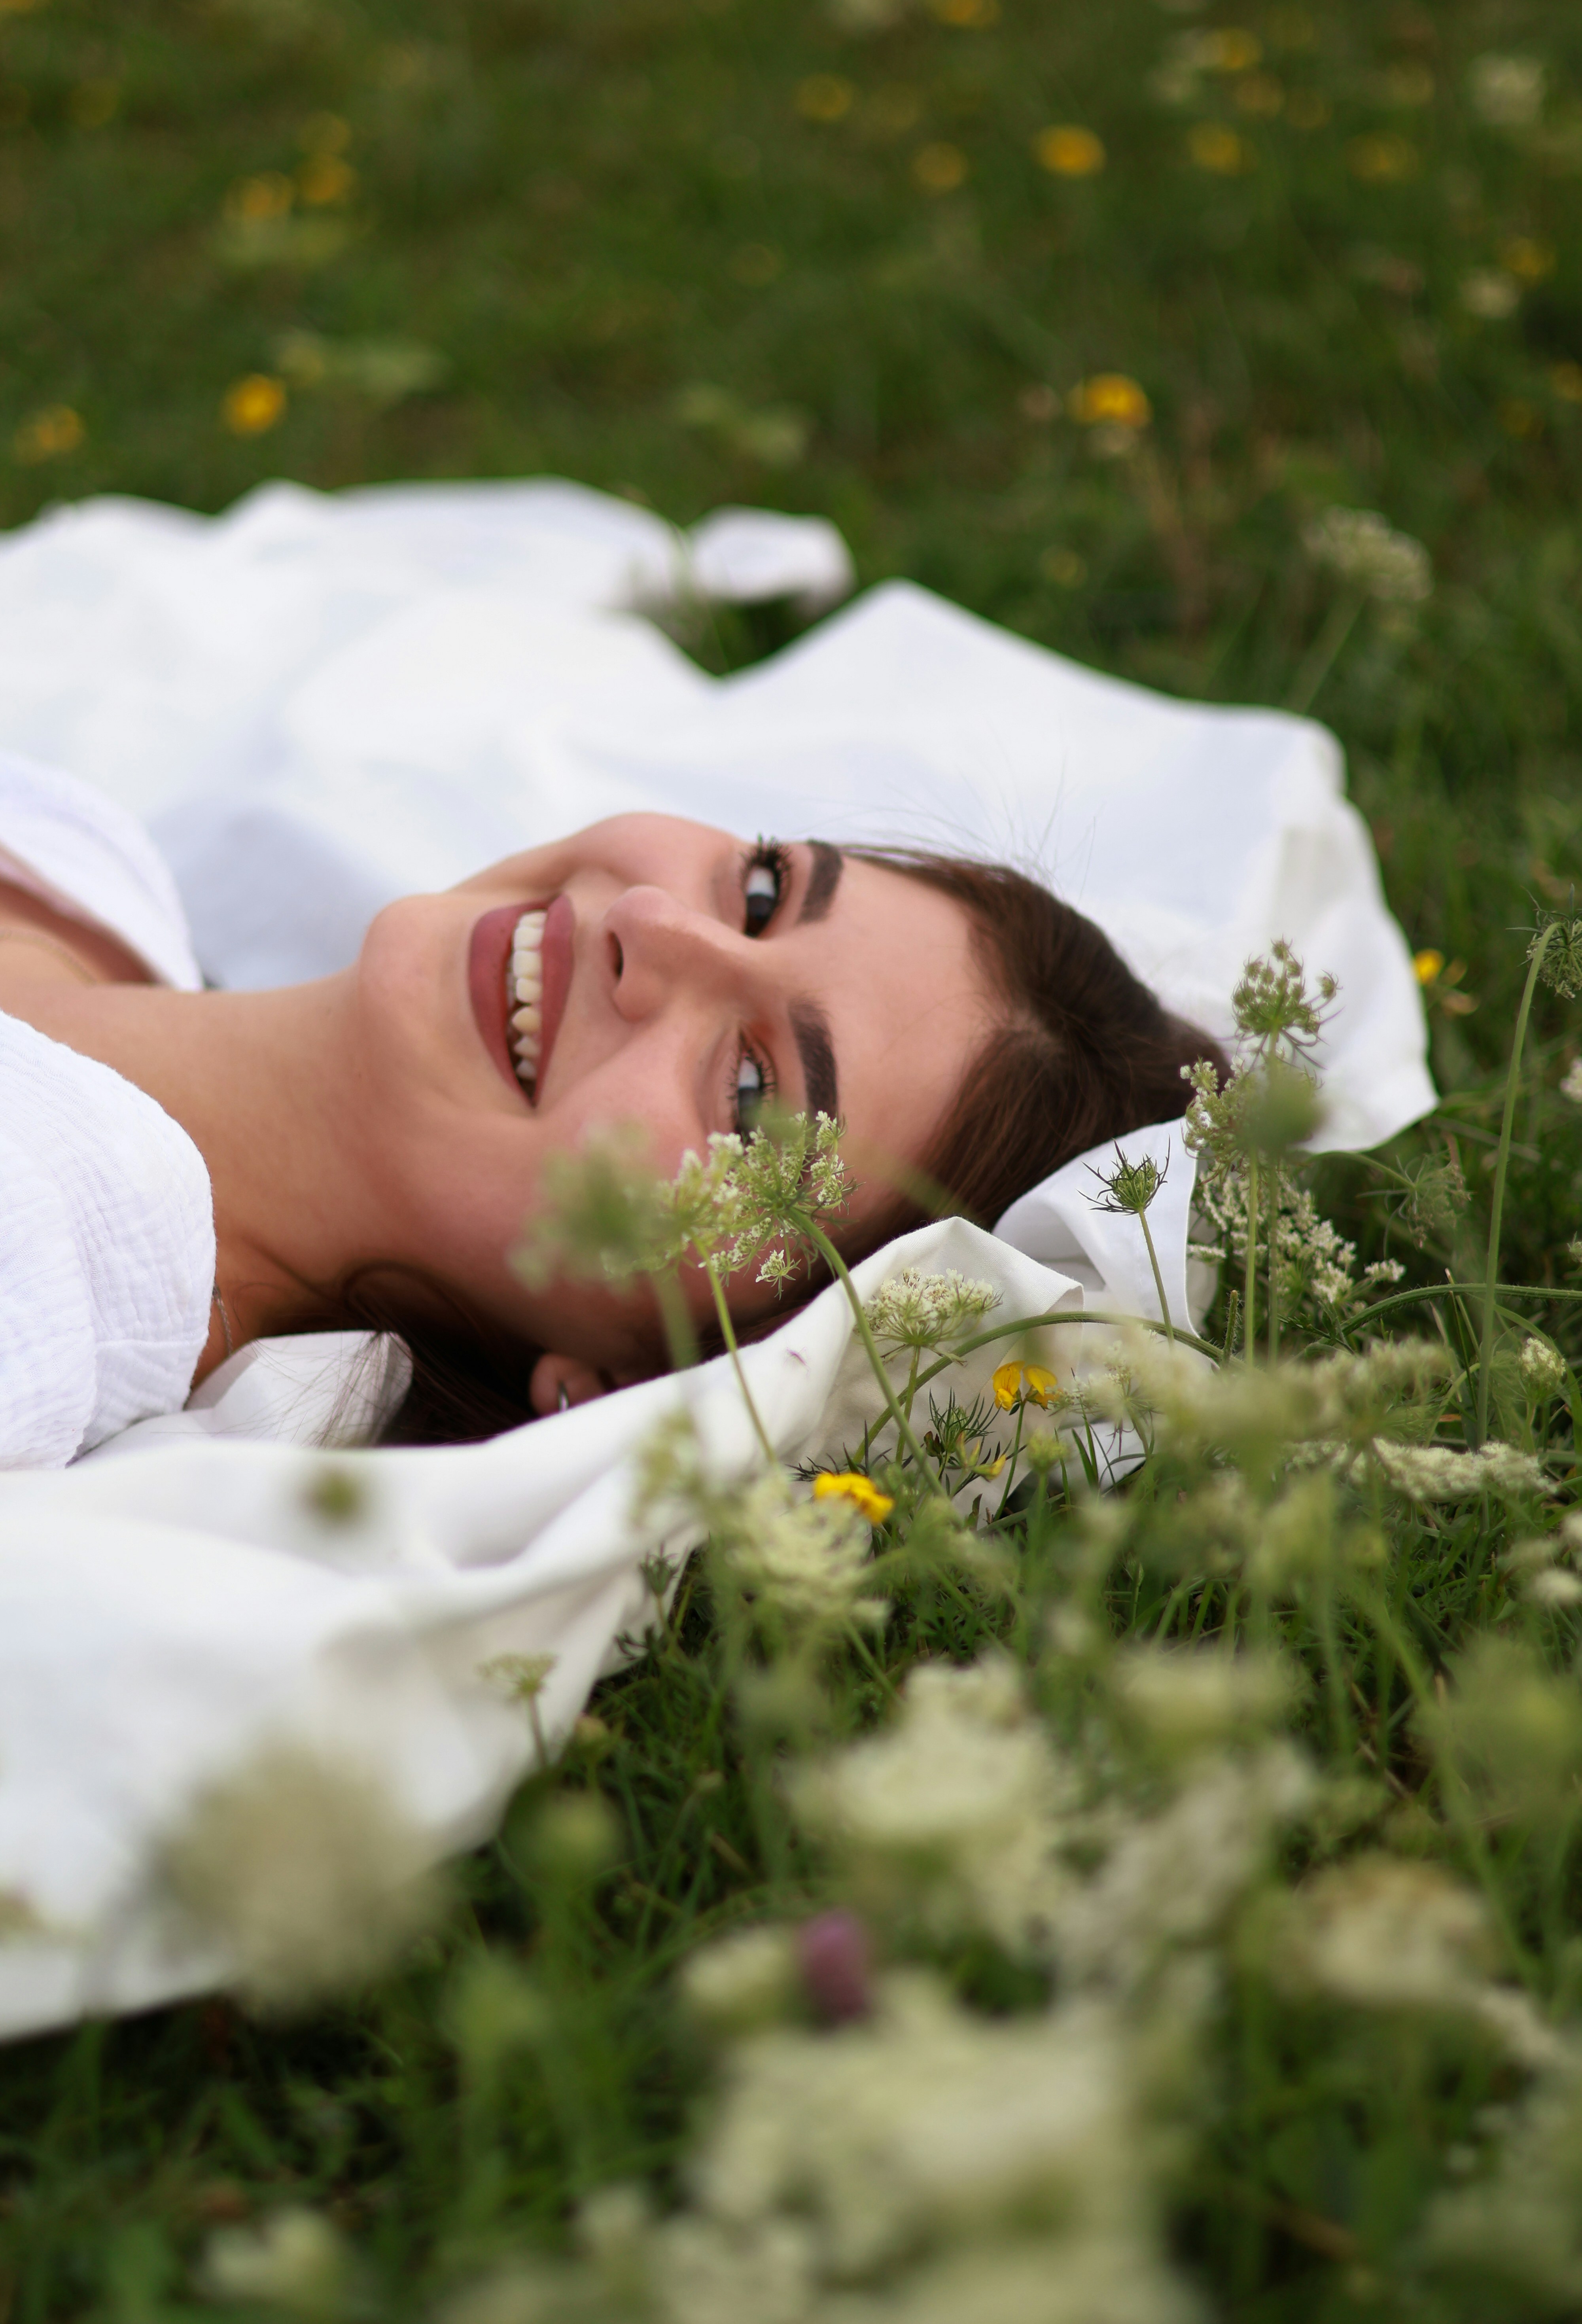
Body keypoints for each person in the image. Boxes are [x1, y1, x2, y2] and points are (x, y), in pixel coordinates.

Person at [0, 752, 1223, 1462]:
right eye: (760, 889)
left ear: (627, 1378)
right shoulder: (90, 872)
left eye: (752, 1089)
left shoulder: (40, 1277)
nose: (650, 928)